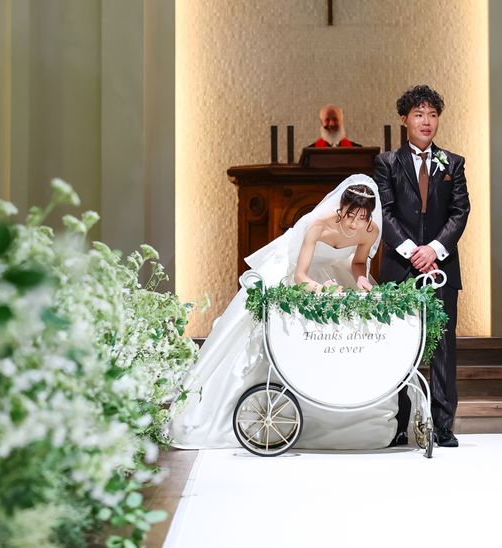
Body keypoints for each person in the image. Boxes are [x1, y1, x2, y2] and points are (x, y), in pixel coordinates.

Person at [168, 174, 401, 450]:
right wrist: (322, 289)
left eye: (362, 218)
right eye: (350, 215)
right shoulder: (317, 225)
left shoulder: (370, 231)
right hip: (296, 272)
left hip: (333, 274)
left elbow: (358, 263)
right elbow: (300, 276)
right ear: (341, 208)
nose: (354, 224)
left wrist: (361, 280)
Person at [373, 85, 470, 448]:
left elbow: (460, 212)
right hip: (400, 267)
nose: (426, 121)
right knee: (399, 346)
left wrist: (434, 250)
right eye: (418, 114)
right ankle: (399, 424)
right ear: (405, 119)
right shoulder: (387, 163)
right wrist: (415, 252)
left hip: (441, 267)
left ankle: (443, 426)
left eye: (432, 114)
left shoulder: (453, 163)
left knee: (443, 346)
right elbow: (384, 212)